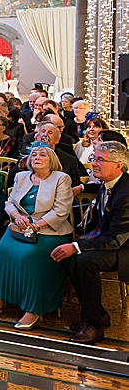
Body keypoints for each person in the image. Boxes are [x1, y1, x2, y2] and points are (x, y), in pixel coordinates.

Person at [0, 146, 73, 329]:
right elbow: (9, 202)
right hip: (20, 227)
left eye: (42, 155)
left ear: (52, 160)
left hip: (49, 230)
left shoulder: (61, 179)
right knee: (2, 249)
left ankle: (34, 309)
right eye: (33, 155)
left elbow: (61, 210)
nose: (37, 158)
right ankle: (0, 298)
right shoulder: (21, 176)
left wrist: (37, 225)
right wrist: (16, 216)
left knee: (30, 255)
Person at [52, 141, 129, 344]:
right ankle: (98, 313)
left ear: (119, 165)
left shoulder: (127, 193)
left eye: (100, 160)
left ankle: (93, 325)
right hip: (110, 240)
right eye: (94, 158)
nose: (94, 163)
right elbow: (99, 187)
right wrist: (83, 186)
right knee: (70, 258)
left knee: (85, 259)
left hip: (123, 248)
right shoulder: (110, 181)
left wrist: (77, 246)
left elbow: (115, 239)